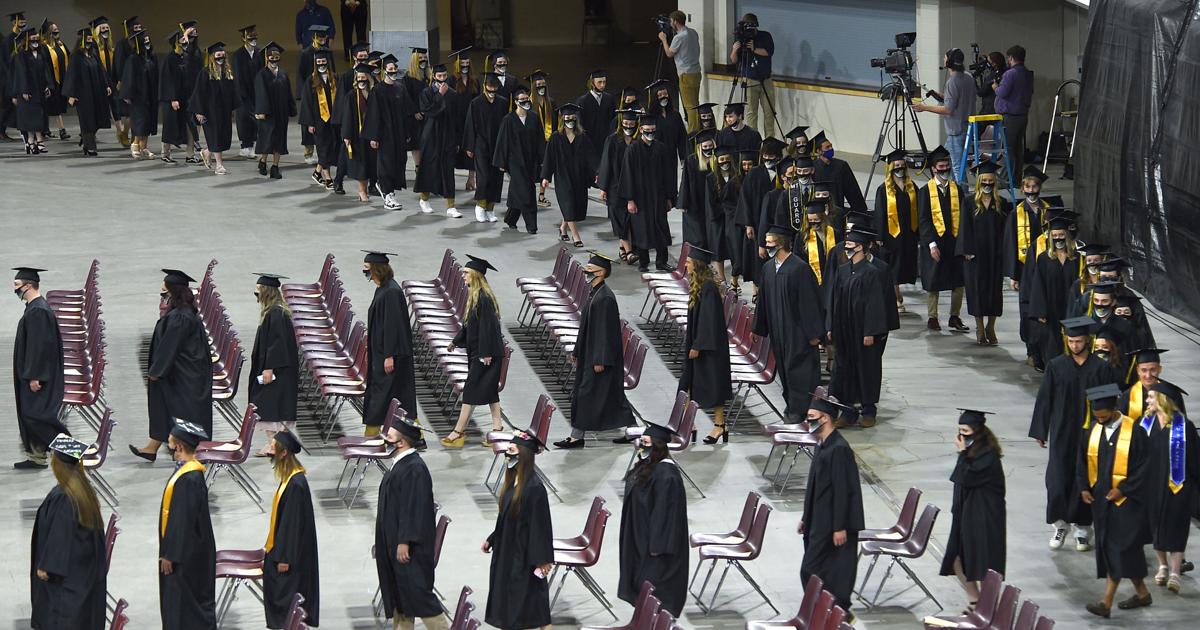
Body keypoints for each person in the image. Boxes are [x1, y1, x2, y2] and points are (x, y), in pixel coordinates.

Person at [1029, 317, 1115, 552]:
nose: (1075, 345)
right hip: (1062, 430)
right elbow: (1045, 399)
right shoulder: (1056, 366)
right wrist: (1041, 429)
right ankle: (1059, 525)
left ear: (1087, 340)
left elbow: (1109, 403)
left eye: (1078, 341)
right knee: (1058, 479)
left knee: (1086, 480)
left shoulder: (1101, 368)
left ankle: (1083, 530)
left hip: (1090, 433)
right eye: (1071, 341)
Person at [1077, 383, 1152, 618]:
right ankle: (1142, 594)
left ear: (1115, 409)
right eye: (1097, 417)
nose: (1100, 420)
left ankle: (1106, 602)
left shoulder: (1135, 432)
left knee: (1119, 548)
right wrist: (1083, 487)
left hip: (1128, 503)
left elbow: (1145, 467)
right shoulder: (1093, 430)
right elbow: (1081, 461)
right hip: (1102, 502)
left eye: (1104, 416)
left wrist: (1124, 489)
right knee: (1120, 549)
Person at [555, 253, 634, 449]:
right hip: (590, 354)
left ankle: (577, 436)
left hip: (600, 358)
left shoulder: (605, 298)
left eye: (590, 270)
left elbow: (604, 333)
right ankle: (632, 430)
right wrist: (577, 351)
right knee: (612, 397)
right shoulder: (595, 293)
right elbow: (586, 327)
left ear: (601, 272)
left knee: (587, 395)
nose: (586, 273)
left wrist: (600, 359)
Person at [131, 270, 212, 462]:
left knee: (180, 411)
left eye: (163, 293)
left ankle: (185, 451)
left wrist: (157, 371)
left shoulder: (180, 317)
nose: (162, 298)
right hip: (180, 371)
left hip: (185, 375)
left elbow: (170, 346)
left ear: (172, 293)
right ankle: (153, 446)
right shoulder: (181, 313)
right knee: (162, 405)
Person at [30, 433, 107, 629]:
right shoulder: (81, 489)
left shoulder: (65, 497)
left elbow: (61, 535)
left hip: (68, 590)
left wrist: (47, 566)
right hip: (83, 576)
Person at [799, 391, 865, 618]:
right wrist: (805, 518)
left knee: (815, 568)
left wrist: (839, 526)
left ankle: (835, 611)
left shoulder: (839, 449)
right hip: (819, 518)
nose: (808, 421)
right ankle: (826, 610)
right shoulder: (823, 444)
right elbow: (815, 486)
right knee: (819, 567)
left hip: (832, 521)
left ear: (825, 418)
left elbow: (842, 491)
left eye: (811, 416)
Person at [376, 419, 446, 630]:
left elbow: (412, 508)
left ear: (402, 442)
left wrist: (404, 541)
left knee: (418, 597)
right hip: (395, 544)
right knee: (401, 596)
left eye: (391, 433)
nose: (386, 435)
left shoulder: (414, 469)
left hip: (410, 551)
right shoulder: (401, 463)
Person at [752, 225, 826, 421]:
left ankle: (800, 410)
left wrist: (814, 335)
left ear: (781, 243)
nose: (766, 246)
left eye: (769, 243)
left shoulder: (799, 268)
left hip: (797, 332)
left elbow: (810, 303)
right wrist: (758, 328)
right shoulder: (768, 269)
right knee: (784, 369)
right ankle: (791, 405)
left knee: (799, 370)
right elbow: (763, 301)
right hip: (778, 330)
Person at [483, 430, 554, 630]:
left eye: (512, 451)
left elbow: (541, 526)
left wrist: (542, 559)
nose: (508, 455)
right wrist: (493, 538)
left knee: (535, 605)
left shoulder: (534, 488)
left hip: (524, 555)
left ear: (523, 455)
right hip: (509, 550)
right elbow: (507, 519)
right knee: (523, 605)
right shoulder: (513, 482)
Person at [619, 422, 689, 616]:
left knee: (654, 590)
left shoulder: (667, 476)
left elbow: (668, 516)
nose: (642, 446)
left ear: (658, 445)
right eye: (642, 442)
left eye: (646, 442)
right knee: (642, 589)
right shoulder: (649, 466)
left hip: (656, 548)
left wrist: (657, 548)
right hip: (642, 537)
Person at [939, 410, 1006, 608]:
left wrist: (962, 454)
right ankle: (975, 600)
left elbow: (965, 477)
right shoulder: (973, 450)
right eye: (959, 430)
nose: (961, 435)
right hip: (965, 513)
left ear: (977, 431)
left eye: (965, 430)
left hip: (984, 515)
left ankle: (987, 605)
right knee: (956, 557)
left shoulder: (988, 454)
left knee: (983, 560)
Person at [826, 228, 889, 428]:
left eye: (851, 246)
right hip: (844, 330)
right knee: (844, 371)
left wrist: (870, 331)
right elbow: (834, 299)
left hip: (862, 331)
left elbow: (875, 304)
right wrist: (830, 326)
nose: (847, 249)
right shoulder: (843, 270)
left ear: (860, 247)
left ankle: (869, 410)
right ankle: (847, 412)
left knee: (866, 369)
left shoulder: (872, 273)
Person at [441, 256, 505, 448]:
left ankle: (458, 432)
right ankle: (498, 429)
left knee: (470, 392)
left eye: (466, 273)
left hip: (486, 355)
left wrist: (485, 353)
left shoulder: (484, 298)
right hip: (482, 353)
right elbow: (470, 325)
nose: (463, 275)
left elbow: (489, 328)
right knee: (490, 392)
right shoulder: (477, 296)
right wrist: (456, 341)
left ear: (476, 275)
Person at [159, 420, 217, 629]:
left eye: (171, 441)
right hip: (188, 548)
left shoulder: (189, 478)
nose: (168, 442)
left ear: (179, 446)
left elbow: (181, 520)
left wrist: (170, 553)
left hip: (186, 553)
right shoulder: (188, 472)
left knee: (185, 603)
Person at [1143, 380, 1198, 594]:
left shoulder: (1185, 427)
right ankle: (1162, 566)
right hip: (1152, 485)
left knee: (1176, 528)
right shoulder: (1145, 425)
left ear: (1163, 400)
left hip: (1178, 487)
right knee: (1155, 527)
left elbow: (1195, 460)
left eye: (1151, 397)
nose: (1147, 400)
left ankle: (1175, 572)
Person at [262, 431, 320, 629]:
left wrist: (284, 557)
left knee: (284, 593)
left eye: (272, 447)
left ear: (284, 452)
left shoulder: (296, 484)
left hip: (290, 556)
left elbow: (292, 525)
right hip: (283, 548)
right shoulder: (289, 479)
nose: (269, 451)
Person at [12, 267, 67, 470]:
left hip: (38, 377)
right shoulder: (35, 308)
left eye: (17, 285)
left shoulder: (38, 311)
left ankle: (73, 450)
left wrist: (35, 376)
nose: (15, 289)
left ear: (28, 285)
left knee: (37, 416)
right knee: (33, 415)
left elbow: (39, 347)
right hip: (33, 374)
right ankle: (36, 456)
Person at [678, 247, 733, 443]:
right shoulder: (700, 284)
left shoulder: (708, 288)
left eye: (689, 262)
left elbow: (709, 320)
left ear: (697, 265)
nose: (685, 265)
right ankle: (688, 425)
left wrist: (699, 345)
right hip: (700, 343)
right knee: (688, 382)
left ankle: (720, 425)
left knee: (712, 386)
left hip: (709, 348)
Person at [362, 251, 418, 436]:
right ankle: (414, 436)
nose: (365, 272)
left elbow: (393, 326)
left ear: (377, 269)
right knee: (397, 396)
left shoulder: (391, 292)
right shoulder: (384, 289)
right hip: (383, 352)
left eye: (367, 269)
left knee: (385, 395)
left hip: (390, 356)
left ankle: (371, 435)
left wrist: (388, 355)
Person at [917, 145, 969, 332]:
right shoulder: (925, 191)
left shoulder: (958, 189)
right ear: (933, 169)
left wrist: (964, 244)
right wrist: (931, 245)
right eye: (941, 167)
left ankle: (954, 317)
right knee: (933, 281)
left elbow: (963, 219)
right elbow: (923, 220)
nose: (945, 169)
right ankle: (933, 317)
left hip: (954, 242)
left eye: (947, 166)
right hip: (935, 242)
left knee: (958, 281)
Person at [959, 161, 1010, 345]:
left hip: (995, 255)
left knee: (994, 292)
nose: (988, 184)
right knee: (977, 292)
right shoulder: (969, 202)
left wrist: (1005, 254)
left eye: (991, 181)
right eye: (985, 181)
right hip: (976, 256)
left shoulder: (1002, 203)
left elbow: (1006, 231)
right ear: (979, 182)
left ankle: (991, 326)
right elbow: (964, 228)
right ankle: (980, 328)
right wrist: (967, 250)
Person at [248, 274, 300, 457]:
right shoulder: (274, 311)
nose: (256, 293)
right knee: (273, 405)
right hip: (278, 368)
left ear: (266, 292)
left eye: (258, 290)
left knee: (269, 405)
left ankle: (275, 445)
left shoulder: (276, 313)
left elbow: (277, 344)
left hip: (278, 369)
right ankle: (276, 443)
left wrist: (269, 367)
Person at [1025, 210, 1084, 365]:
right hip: (1051, 311)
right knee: (1052, 345)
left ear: (1067, 235)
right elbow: (1038, 286)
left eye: (1061, 234)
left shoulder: (1077, 258)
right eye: (1055, 235)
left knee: (1074, 341)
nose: (1058, 238)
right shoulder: (1044, 258)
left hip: (1072, 309)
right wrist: (1040, 311)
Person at [620, 115, 677, 272]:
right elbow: (627, 175)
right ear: (640, 130)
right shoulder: (632, 150)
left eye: (653, 130)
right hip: (640, 198)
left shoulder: (661, 149)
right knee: (641, 229)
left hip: (658, 197)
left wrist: (669, 198)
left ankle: (661, 262)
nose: (650, 133)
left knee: (661, 229)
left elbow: (668, 175)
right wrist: (630, 199)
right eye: (647, 130)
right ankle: (643, 262)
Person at [1005, 166, 1049, 364]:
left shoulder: (1049, 212)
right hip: (1025, 271)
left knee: (1045, 310)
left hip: (1046, 270)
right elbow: (1010, 245)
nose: (1032, 190)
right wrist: (1013, 275)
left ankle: (1046, 349)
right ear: (1022, 189)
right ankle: (1031, 350)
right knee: (1028, 311)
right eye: (1028, 187)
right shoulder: (1016, 214)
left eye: (1035, 186)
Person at [912, 49, 975, 182]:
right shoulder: (969, 77)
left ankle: (961, 196)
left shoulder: (952, 82)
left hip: (956, 130)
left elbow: (948, 109)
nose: (943, 60)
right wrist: (943, 96)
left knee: (957, 167)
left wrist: (924, 108)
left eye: (945, 57)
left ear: (949, 62)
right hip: (967, 128)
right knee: (943, 157)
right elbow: (960, 99)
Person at [540, 102, 597, 246]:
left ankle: (563, 228)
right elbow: (549, 158)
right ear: (562, 119)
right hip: (562, 177)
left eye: (572, 118)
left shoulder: (583, 137)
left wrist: (597, 173)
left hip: (579, 177)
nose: (570, 120)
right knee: (569, 204)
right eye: (567, 118)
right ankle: (576, 236)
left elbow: (591, 158)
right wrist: (546, 176)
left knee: (575, 207)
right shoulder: (556, 137)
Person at [735, 137, 786, 293]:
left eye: (772, 157)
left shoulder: (782, 174)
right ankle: (757, 291)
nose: (768, 160)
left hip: (778, 223)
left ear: (778, 157)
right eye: (765, 156)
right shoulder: (754, 173)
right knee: (758, 259)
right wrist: (748, 224)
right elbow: (745, 198)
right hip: (758, 224)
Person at [494, 85, 546, 234]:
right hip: (514, 162)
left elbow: (540, 140)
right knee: (527, 191)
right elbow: (502, 141)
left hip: (530, 161)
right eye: (522, 99)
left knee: (519, 191)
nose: (525, 101)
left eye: (526, 99)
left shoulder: (534, 117)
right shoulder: (508, 120)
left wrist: (543, 160)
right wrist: (501, 162)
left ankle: (511, 218)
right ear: (516, 101)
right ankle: (532, 226)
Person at [366, 54, 416, 211]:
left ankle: (390, 191)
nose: (393, 71)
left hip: (399, 133)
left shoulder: (400, 88)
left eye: (394, 68)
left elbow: (408, 112)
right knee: (386, 163)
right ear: (384, 71)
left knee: (399, 162)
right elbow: (374, 115)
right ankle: (386, 193)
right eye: (390, 69)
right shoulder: (377, 91)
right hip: (385, 134)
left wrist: (408, 132)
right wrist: (374, 136)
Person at [413, 64, 463, 217]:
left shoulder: (453, 94)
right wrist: (440, 95)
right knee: (429, 168)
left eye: (444, 76)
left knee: (448, 170)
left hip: (447, 136)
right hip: (431, 136)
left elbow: (456, 118)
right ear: (434, 76)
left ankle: (450, 206)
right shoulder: (426, 93)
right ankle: (424, 199)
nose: (442, 79)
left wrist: (457, 140)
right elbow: (429, 112)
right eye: (439, 76)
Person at [872, 149, 918, 313]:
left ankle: (896, 292)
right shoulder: (883, 189)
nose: (899, 168)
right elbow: (879, 213)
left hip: (908, 234)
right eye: (896, 165)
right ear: (890, 168)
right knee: (892, 266)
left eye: (902, 165)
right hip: (891, 235)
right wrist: (879, 235)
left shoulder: (912, 187)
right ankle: (895, 294)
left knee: (903, 265)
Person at [189, 42, 240, 174]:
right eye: (218, 55)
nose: (220, 58)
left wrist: (233, 107)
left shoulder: (227, 72)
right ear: (212, 56)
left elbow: (233, 91)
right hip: (209, 111)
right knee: (215, 136)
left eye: (223, 55)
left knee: (223, 136)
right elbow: (198, 92)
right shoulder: (205, 73)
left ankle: (207, 152)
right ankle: (219, 165)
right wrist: (198, 111)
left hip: (224, 111)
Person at [597, 109, 640, 263]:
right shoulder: (612, 140)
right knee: (619, 219)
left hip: (634, 187)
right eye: (626, 123)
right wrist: (603, 187)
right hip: (615, 186)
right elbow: (606, 164)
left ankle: (623, 248)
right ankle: (629, 252)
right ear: (621, 124)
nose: (628, 126)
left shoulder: (638, 141)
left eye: (631, 124)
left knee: (630, 219)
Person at [464, 73, 508, 223]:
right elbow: (470, 125)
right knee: (483, 177)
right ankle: (480, 205)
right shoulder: (476, 103)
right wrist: (470, 146)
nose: (492, 93)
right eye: (490, 89)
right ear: (484, 87)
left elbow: (505, 126)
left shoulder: (502, 103)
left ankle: (490, 208)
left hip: (497, 145)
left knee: (496, 178)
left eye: (495, 89)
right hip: (481, 145)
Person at [63, 27, 113, 157]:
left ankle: (86, 140)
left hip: (96, 92)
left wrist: (106, 85)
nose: (90, 42)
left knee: (97, 119)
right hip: (83, 94)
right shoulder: (76, 57)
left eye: (91, 39)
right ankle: (91, 147)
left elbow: (101, 71)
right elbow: (72, 75)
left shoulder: (93, 54)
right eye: (88, 39)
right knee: (87, 120)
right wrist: (71, 94)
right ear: (82, 41)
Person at [727, 13, 775, 136]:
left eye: (751, 28)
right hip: (750, 80)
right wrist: (734, 50)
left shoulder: (765, 36)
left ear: (756, 26)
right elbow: (733, 60)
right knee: (751, 113)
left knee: (769, 112)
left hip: (766, 80)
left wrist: (754, 49)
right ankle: (754, 141)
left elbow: (768, 52)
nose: (749, 31)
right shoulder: (741, 39)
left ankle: (770, 141)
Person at [255, 42, 295, 179]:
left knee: (279, 141)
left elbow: (289, 92)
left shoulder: (283, 74)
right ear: (267, 58)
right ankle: (263, 161)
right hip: (268, 114)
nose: (274, 60)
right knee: (267, 140)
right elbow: (260, 94)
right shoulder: (262, 75)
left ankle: (275, 167)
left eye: (277, 57)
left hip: (281, 113)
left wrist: (291, 108)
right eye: (271, 57)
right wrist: (261, 111)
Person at [300, 49, 340, 189]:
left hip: (333, 120)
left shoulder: (334, 77)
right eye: (319, 62)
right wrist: (309, 123)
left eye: (324, 62)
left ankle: (317, 173)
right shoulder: (310, 81)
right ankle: (327, 177)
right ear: (315, 64)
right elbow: (306, 104)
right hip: (318, 120)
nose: (322, 64)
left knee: (331, 147)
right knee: (323, 148)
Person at [993, 45, 1034, 179]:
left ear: (1010, 58)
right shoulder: (1028, 73)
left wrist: (995, 87)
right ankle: (1016, 178)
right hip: (1023, 115)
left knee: (1008, 149)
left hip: (1010, 117)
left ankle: (1006, 179)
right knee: (1018, 149)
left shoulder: (1010, 74)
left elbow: (1003, 92)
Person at [10, 26, 51, 155]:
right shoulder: (21, 55)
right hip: (27, 91)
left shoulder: (41, 54)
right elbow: (20, 74)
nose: (35, 41)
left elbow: (47, 71)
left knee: (39, 116)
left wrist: (48, 86)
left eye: (37, 39)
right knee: (30, 117)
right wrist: (24, 90)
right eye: (32, 39)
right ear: (27, 41)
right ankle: (34, 142)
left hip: (39, 90)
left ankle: (33, 142)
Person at [159, 31, 198, 164]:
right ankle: (165, 153)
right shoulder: (169, 59)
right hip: (172, 99)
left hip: (186, 97)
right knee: (170, 126)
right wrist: (173, 98)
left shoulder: (186, 57)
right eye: (182, 40)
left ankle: (190, 155)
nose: (186, 42)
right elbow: (167, 80)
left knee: (190, 126)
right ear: (176, 43)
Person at [658, 10, 701, 132]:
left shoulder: (679, 37)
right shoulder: (693, 32)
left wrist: (664, 40)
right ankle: (696, 128)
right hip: (696, 72)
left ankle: (693, 132)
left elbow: (669, 53)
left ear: (675, 21)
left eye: (671, 21)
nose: (670, 23)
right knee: (695, 103)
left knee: (690, 106)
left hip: (686, 74)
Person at [707, 145, 743, 286]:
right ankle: (721, 277)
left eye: (727, 159)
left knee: (734, 247)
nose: (724, 162)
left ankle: (735, 278)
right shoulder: (711, 178)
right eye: (721, 159)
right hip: (718, 217)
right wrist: (719, 212)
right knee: (719, 248)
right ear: (717, 161)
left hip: (733, 216)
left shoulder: (737, 176)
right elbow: (710, 201)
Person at [118, 30, 158, 159]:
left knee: (148, 122)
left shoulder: (150, 57)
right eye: (145, 42)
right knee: (140, 122)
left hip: (150, 95)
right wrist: (127, 95)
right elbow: (128, 78)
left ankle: (144, 147)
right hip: (138, 96)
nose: (148, 44)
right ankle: (135, 145)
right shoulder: (133, 59)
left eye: (148, 41)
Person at [341, 64, 377, 202]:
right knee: (362, 164)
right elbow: (347, 116)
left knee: (371, 163)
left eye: (363, 77)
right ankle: (362, 191)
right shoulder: (351, 95)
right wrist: (346, 136)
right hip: (358, 136)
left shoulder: (374, 93)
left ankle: (369, 188)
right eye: (359, 77)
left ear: (368, 78)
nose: (361, 80)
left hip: (372, 135)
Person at [811, 130, 869, 215]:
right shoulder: (813, 167)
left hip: (838, 210)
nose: (831, 149)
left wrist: (860, 211)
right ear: (819, 151)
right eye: (827, 147)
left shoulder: (841, 165)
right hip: (819, 211)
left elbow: (852, 190)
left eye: (831, 146)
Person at [677, 128, 716, 250]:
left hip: (712, 202)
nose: (708, 149)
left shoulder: (717, 160)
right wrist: (684, 203)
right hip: (696, 202)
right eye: (705, 146)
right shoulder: (692, 161)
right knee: (697, 235)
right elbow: (685, 183)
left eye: (710, 146)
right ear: (699, 147)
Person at [450, 47, 478, 190]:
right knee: (454, 151)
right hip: (456, 122)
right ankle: (450, 181)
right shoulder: (451, 80)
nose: (465, 66)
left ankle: (471, 179)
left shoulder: (475, 81)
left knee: (471, 150)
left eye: (467, 64)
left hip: (471, 121)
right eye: (462, 64)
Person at [232, 25, 262, 158]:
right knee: (244, 118)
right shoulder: (238, 55)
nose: (253, 39)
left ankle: (253, 144)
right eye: (250, 37)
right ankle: (245, 146)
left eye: (255, 37)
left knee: (257, 117)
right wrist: (240, 94)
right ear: (243, 38)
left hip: (257, 91)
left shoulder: (260, 53)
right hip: (243, 93)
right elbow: (237, 76)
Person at [39, 20, 69, 141]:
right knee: (54, 107)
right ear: (48, 33)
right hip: (51, 81)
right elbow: (44, 66)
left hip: (62, 80)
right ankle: (62, 130)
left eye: (57, 29)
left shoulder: (61, 44)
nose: (56, 31)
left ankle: (44, 130)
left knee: (51, 107)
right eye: (53, 30)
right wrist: (47, 83)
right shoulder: (44, 47)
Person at [645, 79, 688, 161]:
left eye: (665, 94)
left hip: (671, 157)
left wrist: (683, 157)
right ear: (655, 98)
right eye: (660, 95)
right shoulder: (649, 117)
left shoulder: (675, 115)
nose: (663, 96)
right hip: (655, 158)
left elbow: (682, 137)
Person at [1121, 348, 1166, 420]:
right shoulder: (1127, 396)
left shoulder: (1169, 394)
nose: (1148, 375)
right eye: (1144, 370)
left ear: (1160, 369)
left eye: (1153, 370)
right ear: (1138, 370)